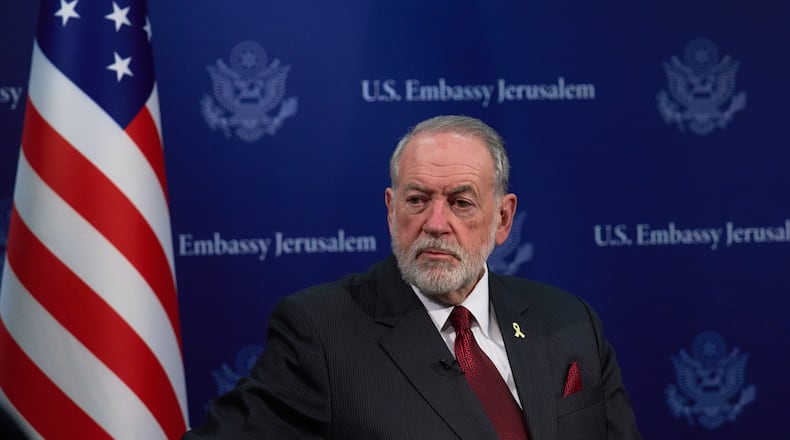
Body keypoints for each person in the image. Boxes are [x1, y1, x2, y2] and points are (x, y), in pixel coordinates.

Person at [184, 115, 642, 439]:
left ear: (503, 219)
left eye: (461, 202)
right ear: (390, 210)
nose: (436, 223)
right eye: (418, 200)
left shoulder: (569, 321)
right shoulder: (320, 331)